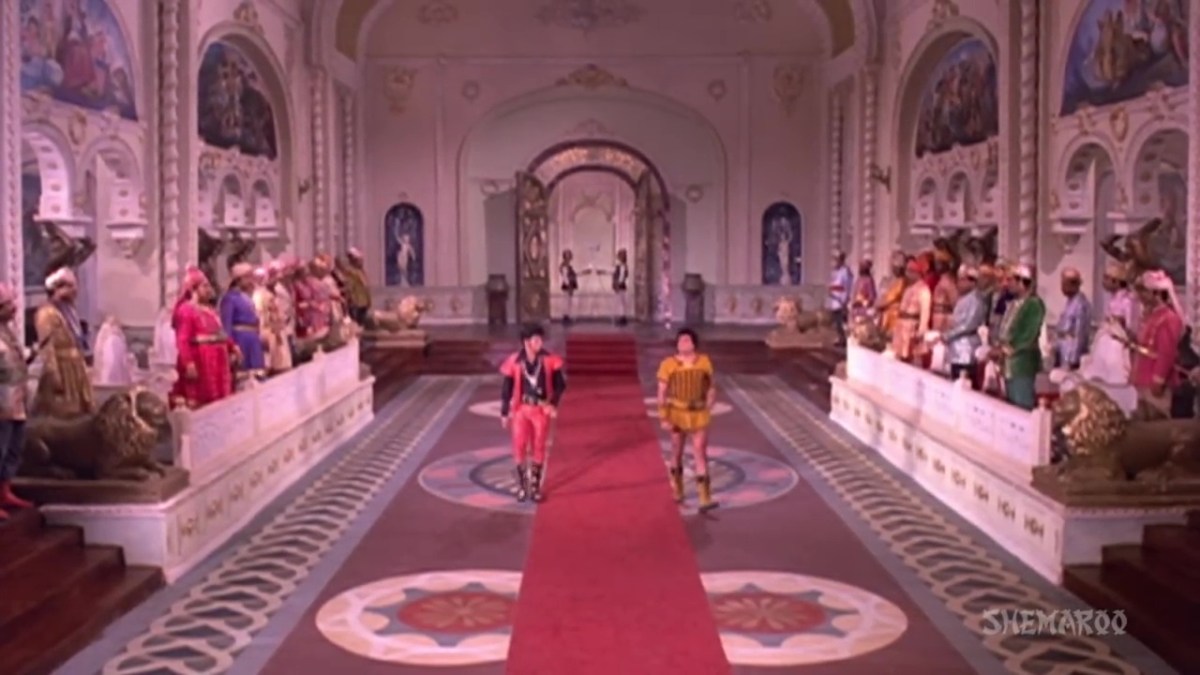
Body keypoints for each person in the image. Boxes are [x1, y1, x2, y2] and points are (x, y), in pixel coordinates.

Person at [500, 324, 566, 503]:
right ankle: (523, 485)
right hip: (521, 410)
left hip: (540, 410)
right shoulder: (514, 361)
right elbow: (506, 388)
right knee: (519, 445)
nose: (540, 343)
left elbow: (560, 385)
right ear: (526, 342)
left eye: (540, 339)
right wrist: (504, 412)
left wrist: (553, 404)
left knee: (539, 445)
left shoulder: (549, 360)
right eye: (536, 340)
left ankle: (536, 486)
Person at [657, 328, 719, 512]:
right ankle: (677, 491)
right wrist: (663, 416)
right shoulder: (668, 364)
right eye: (681, 340)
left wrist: (710, 403)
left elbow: (711, 386)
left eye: (687, 340)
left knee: (700, 451)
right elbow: (662, 392)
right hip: (677, 413)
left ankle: (705, 498)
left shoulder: (704, 362)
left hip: (698, 413)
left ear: (694, 343)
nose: (684, 343)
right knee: (676, 451)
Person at [174, 266, 239, 409]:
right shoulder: (186, 310)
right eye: (205, 286)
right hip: (202, 359)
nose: (209, 289)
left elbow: (219, 333)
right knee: (203, 400)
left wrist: (233, 346)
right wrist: (188, 363)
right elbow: (182, 339)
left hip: (218, 360)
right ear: (194, 289)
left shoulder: (210, 310)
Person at [34, 267, 94, 418]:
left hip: (75, 369)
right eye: (70, 286)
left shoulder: (69, 311)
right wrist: (53, 374)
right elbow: (47, 347)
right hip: (62, 369)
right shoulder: (46, 313)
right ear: (57, 289)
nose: (75, 291)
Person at [1130, 270, 1185, 418]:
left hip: (1155, 381)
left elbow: (1166, 353)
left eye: (1144, 292)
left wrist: (1158, 379)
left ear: (1157, 294)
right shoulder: (1152, 316)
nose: (1140, 296)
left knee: (1157, 421)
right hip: (1143, 378)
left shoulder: (1168, 318)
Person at [0, 283, 32, 519]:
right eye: (7, 305)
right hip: (1, 404)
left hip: (17, 402)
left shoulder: (7, 333)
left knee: (14, 448)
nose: (13, 309)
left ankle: (4, 491)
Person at [993, 265, 1045, 410]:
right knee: (1010, 405)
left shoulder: (1034, 304)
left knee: (1021, 404)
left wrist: (1005, 349)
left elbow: (1028, 335)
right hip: (1008, 363)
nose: (1007, 284)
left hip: (1022, 363)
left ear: (1022, 282)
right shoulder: (1014, 303)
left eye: (1011, 280)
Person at [941, 266, 988, 387]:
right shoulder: (963, 298)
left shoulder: (976, 300)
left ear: (972, 282)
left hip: (966, 350)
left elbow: (969, 325)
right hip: (956, 348)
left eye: (962, 280)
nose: (959, 283)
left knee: (966, 385)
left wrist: (948, 335)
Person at [219, 263, 265, 379]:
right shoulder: (230, 298)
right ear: (239, 280)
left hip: (253, 340)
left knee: (258, 373)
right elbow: (226, 325)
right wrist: (231, 347)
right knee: (244, 375)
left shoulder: (247, 297)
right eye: (248, 277)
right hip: (240, 340)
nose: (251, 281)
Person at [891, 257, 931, 365]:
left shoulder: (924, 290)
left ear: (917, 273)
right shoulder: (909, 288)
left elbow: (925, 312)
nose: (907, 274)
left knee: (910, 359)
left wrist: (921, 330)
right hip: (902, 326)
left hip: (912, 327)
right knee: (900, 357)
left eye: (910, 271)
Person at [1053, 267, 1092, 370]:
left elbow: (1080, 333)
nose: (1062, 287)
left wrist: (1074, 358)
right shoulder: (1070, 301)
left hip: (1071, 352)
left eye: (1064, 284)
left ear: (1072, 284)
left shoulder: (1080, 304)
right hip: (1062, 349)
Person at [875, 251, 907, 338]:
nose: (897, 269)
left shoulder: (903, 282)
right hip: (884, 315)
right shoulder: (888, 280)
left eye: (899, 267)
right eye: (895, 266)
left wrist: (878, 305)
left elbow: (890, 299)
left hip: (895, 317)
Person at [827, 251, 853, 346]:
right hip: (834, 300)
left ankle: (845, 339)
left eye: (836, 260)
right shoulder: (836, 271)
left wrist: (844, 299)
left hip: (841, 300)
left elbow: (846, 286)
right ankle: (840, 338)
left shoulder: (845, 271)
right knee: (836, 321)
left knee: (841, 321)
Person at [341, 248, 372, 326]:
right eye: (359, 260)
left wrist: (368, 300)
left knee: (362, 323)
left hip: (363, 302)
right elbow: (349, 288)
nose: (361, 262)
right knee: (356, 324)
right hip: (356, 302)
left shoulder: (361, 271)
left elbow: (366, 287)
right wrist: (351, 301)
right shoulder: (350, 272)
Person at [849, 258, 876, 325]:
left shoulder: (869, 280)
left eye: (862, 266)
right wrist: (854, 301)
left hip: (864, 310)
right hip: (856, 309)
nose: (860, 268)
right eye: (860, 266)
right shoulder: (858, 279)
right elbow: (855, 293)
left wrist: (864, 301)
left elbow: (872, 296)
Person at [612, 248, 630, 325]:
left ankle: (622, 318)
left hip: (621, 286)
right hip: (620, 286)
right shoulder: (620, 266)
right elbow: (614, 273)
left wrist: (618, 284)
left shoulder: (622, 266)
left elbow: (622, 277)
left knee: (621, 302)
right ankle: (622, 317)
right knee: (620, 302)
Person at [559, 250, 578, 323]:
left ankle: (568, 316)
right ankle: (566, 317)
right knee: (566, 301)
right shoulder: (564, 266)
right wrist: (569, 286)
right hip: (567, 286)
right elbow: (565, 277)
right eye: (568, 256)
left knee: (569, 302)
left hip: (570, 285)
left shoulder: (568, 266)